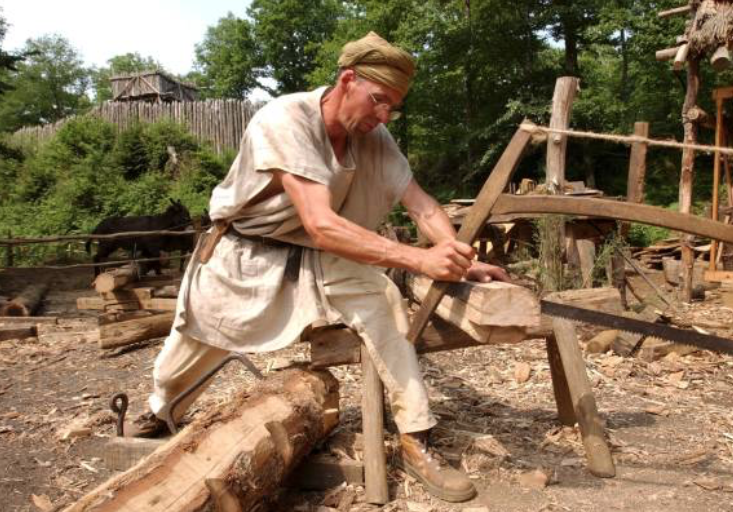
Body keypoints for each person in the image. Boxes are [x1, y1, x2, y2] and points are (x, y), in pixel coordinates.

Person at [126, 31, 508, 503]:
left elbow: (421, 206)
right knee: (187, 354)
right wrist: (418, 259)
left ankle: (416, 437)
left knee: (382, 302)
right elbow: (322, 223)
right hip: (244, 257)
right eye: (378, 100)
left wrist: (457, 258)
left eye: (393, 107)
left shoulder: (374, 136)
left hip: (314, 256)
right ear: (347, 80)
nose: (384, 115)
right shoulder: (285, 119)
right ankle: (159, 410)